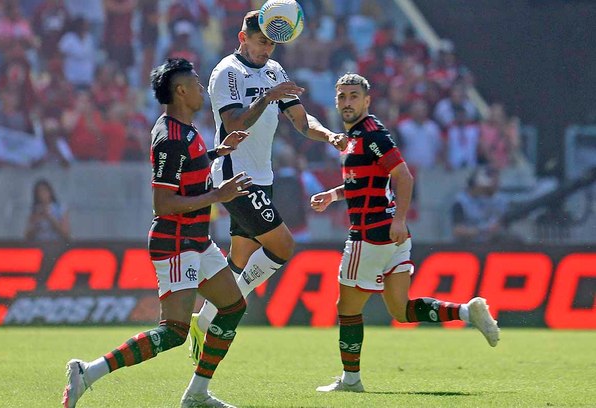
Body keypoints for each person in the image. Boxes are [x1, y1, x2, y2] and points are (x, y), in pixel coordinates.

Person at [61, 58, 253, 408]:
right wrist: (218, 195)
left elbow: (186, 167)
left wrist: (217, 152)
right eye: (196, 84)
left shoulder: (185, 129)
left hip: (197, 239)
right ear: (181, 91)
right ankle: (87, 372)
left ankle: (197, 394)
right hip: (177, 241)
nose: (202, 90)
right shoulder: (171, 137)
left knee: (233, 306)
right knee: (175, 331)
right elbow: (163, 203)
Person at [309, 73, 500, 393]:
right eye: (342, 97)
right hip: (394, 237)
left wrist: (398, 218)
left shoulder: (372, 135)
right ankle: (469, 311)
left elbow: (404, 176)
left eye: (354, 96)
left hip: (370, 233)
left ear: (367, 101)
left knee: (347, 308)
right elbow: (364, 184)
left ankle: (351, 380)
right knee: (400, 309)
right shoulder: (354, 137)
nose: (347, 102)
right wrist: (333, 195)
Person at [189, 10, 348, 362]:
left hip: (263, 176)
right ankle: (222, 309)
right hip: (235, 175)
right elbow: (233, 125)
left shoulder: (275, 71)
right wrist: (267, 97)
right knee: (283, 245)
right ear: (242, 38)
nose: (267, 50)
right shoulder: (227, 72)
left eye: (272, 44)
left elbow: (301, 121)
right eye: (261, 42)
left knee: (241, 257)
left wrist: (330, 136)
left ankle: (204, 318)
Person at [451, 166, 509, 242]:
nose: (496, 185)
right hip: (466, 246)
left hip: (488, 243)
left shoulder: (492, 199)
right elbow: (457, 231)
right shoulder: (460, 202)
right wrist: (485, 230)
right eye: (493, 181)